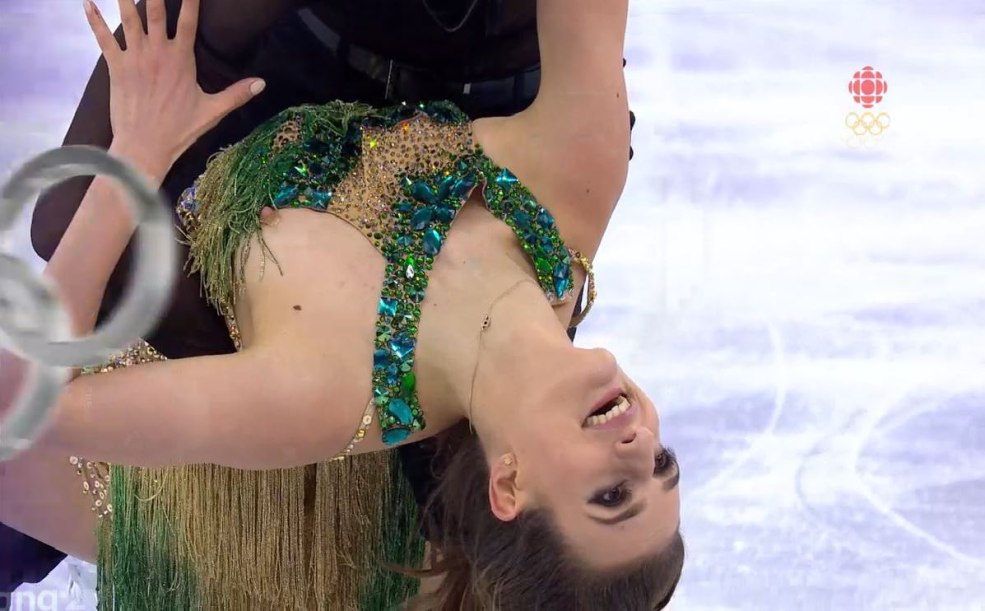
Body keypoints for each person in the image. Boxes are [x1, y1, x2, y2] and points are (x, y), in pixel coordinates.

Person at [0, 0, 682, 609]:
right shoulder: (580, 175)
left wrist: (139, 150)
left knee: (63, 218)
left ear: (510, 485)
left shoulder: (322, 394)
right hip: (445, 51)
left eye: (612, 496)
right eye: (662, 466)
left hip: (227, 105)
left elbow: (26, 410)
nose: (638, 448)